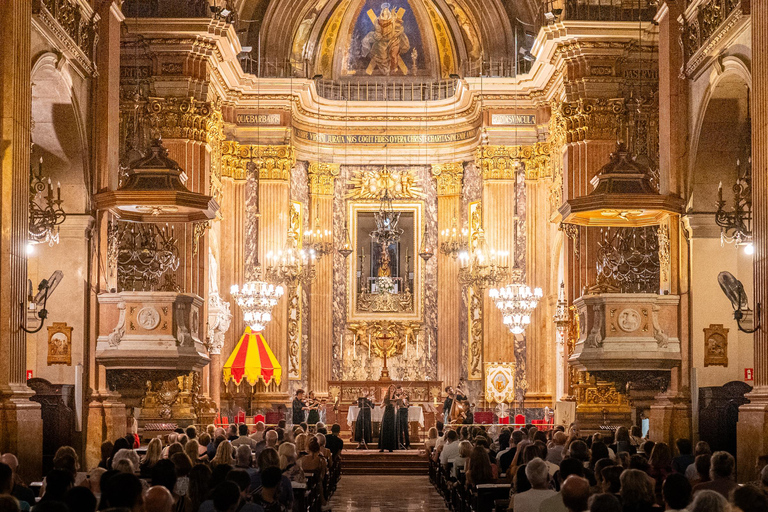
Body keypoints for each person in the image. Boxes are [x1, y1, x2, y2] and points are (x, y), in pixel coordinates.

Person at [378, 386, 398, 453]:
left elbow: (397, 406)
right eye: (391, 389)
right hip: (386, 413)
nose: (392, 390)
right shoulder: (386, 397)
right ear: (389, 389)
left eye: (393, 389)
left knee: (391, 429)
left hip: (392, 413)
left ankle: (390, 447)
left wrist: (395, 403)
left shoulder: (395, 397)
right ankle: (382, 447)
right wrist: (384, 404)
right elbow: (381, 406)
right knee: (384, 429)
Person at [394, 385, 410, 449]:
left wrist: (404, 400)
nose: (399, 391)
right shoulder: (396, 396)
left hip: (404, 413)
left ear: (402, 390)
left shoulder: (406, 396)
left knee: (406, 429)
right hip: (399, 413)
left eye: (400, 390)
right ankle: (400, 444)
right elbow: (395, 405)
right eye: (398, 390)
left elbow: (407, 405)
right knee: (399, 429)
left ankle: (408, 444)